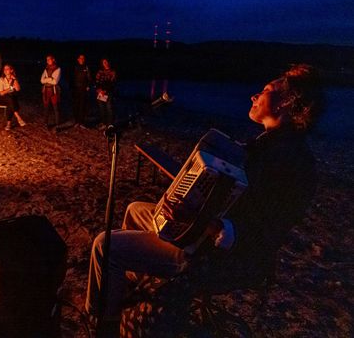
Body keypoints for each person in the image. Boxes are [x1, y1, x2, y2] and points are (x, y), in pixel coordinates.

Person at [84, 64, 322, 334]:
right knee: (136, 209)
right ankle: (131, 288)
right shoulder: (269, 146)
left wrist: (196, 221)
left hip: (217, 257)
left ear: (286, 104)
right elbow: (233, 200)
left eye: (265, 91)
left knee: (106, 246)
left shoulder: (291, 162)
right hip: (203, 238)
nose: (254, 96)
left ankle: (103, 325)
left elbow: (260, 231)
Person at [0, 64, 27, 131]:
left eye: (7, 69)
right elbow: (1, 93)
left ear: (11, 70)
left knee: (10, 103)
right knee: (10, 99)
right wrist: (9, 89)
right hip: (2, 98)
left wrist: (14, 80)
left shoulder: (14, 79)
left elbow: (18, 89)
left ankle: (8, 124)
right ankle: (18, 117)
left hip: (11, 98)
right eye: (4, 69)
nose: (5, 70)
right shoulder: (1, 79)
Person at [40, 54, 61, 129]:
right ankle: (46, 123)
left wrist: (47, 79)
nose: (47, 61)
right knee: (46, 108)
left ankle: (57, 124)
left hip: (54, 91)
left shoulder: (57, 69)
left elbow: (55, 81)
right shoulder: (46, 69)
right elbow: (42, 80)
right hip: (46, 91)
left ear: (53, 60)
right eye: (47, 59)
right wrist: (50, 78)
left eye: (49, 59)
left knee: (56, 108)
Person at [94, 58, 116, 130]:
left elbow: (112, 83)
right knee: (101, 108)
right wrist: (98, 89)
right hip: (100, 92)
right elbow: (97, 81)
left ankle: (110, 124)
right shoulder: (100, 71)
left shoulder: (112, 72)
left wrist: (105, 90)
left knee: (109, 108)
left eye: (106, 62)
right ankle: (103, 122)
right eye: (104, 62)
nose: (105, 63)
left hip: (108, 92)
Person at [73, 54, 91, 127]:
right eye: (80, 58)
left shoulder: (86, 67)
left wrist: (88, 86)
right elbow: (72, 77)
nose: (82, 59)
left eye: (83, 58)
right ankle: (76, 121)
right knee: (76, 105)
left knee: (83, 105)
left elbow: (89, 78)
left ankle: (82, 122)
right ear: (78, 59)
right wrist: (72, 87)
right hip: (76, 89)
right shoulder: (75, 67)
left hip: (83, 89)